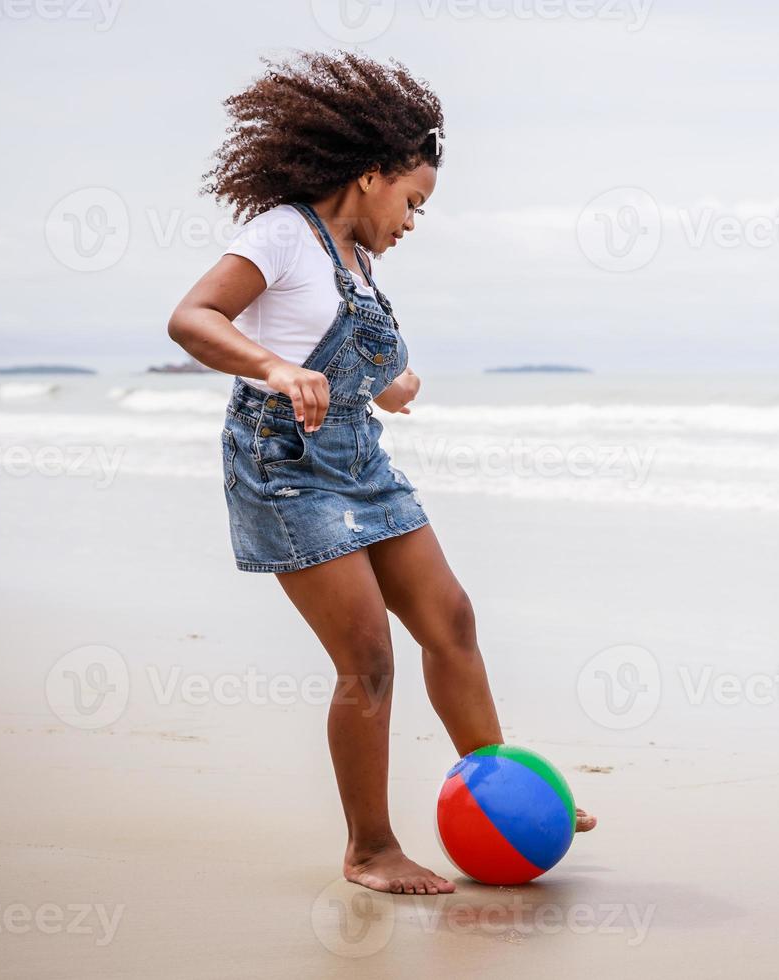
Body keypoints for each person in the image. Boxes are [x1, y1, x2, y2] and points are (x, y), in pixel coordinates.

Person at [166, 50, 595, 896]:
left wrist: (388, 382)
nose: (412, 220)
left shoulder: (358, 260)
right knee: (368, 659)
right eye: (412, 201)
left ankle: (503, 795)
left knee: (453, 620)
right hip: (284, 464)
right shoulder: (283, 233)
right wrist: (277, 370)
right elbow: (192, 317)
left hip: (359, 457)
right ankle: (369, 850)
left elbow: (343, 350)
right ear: (369, 177)